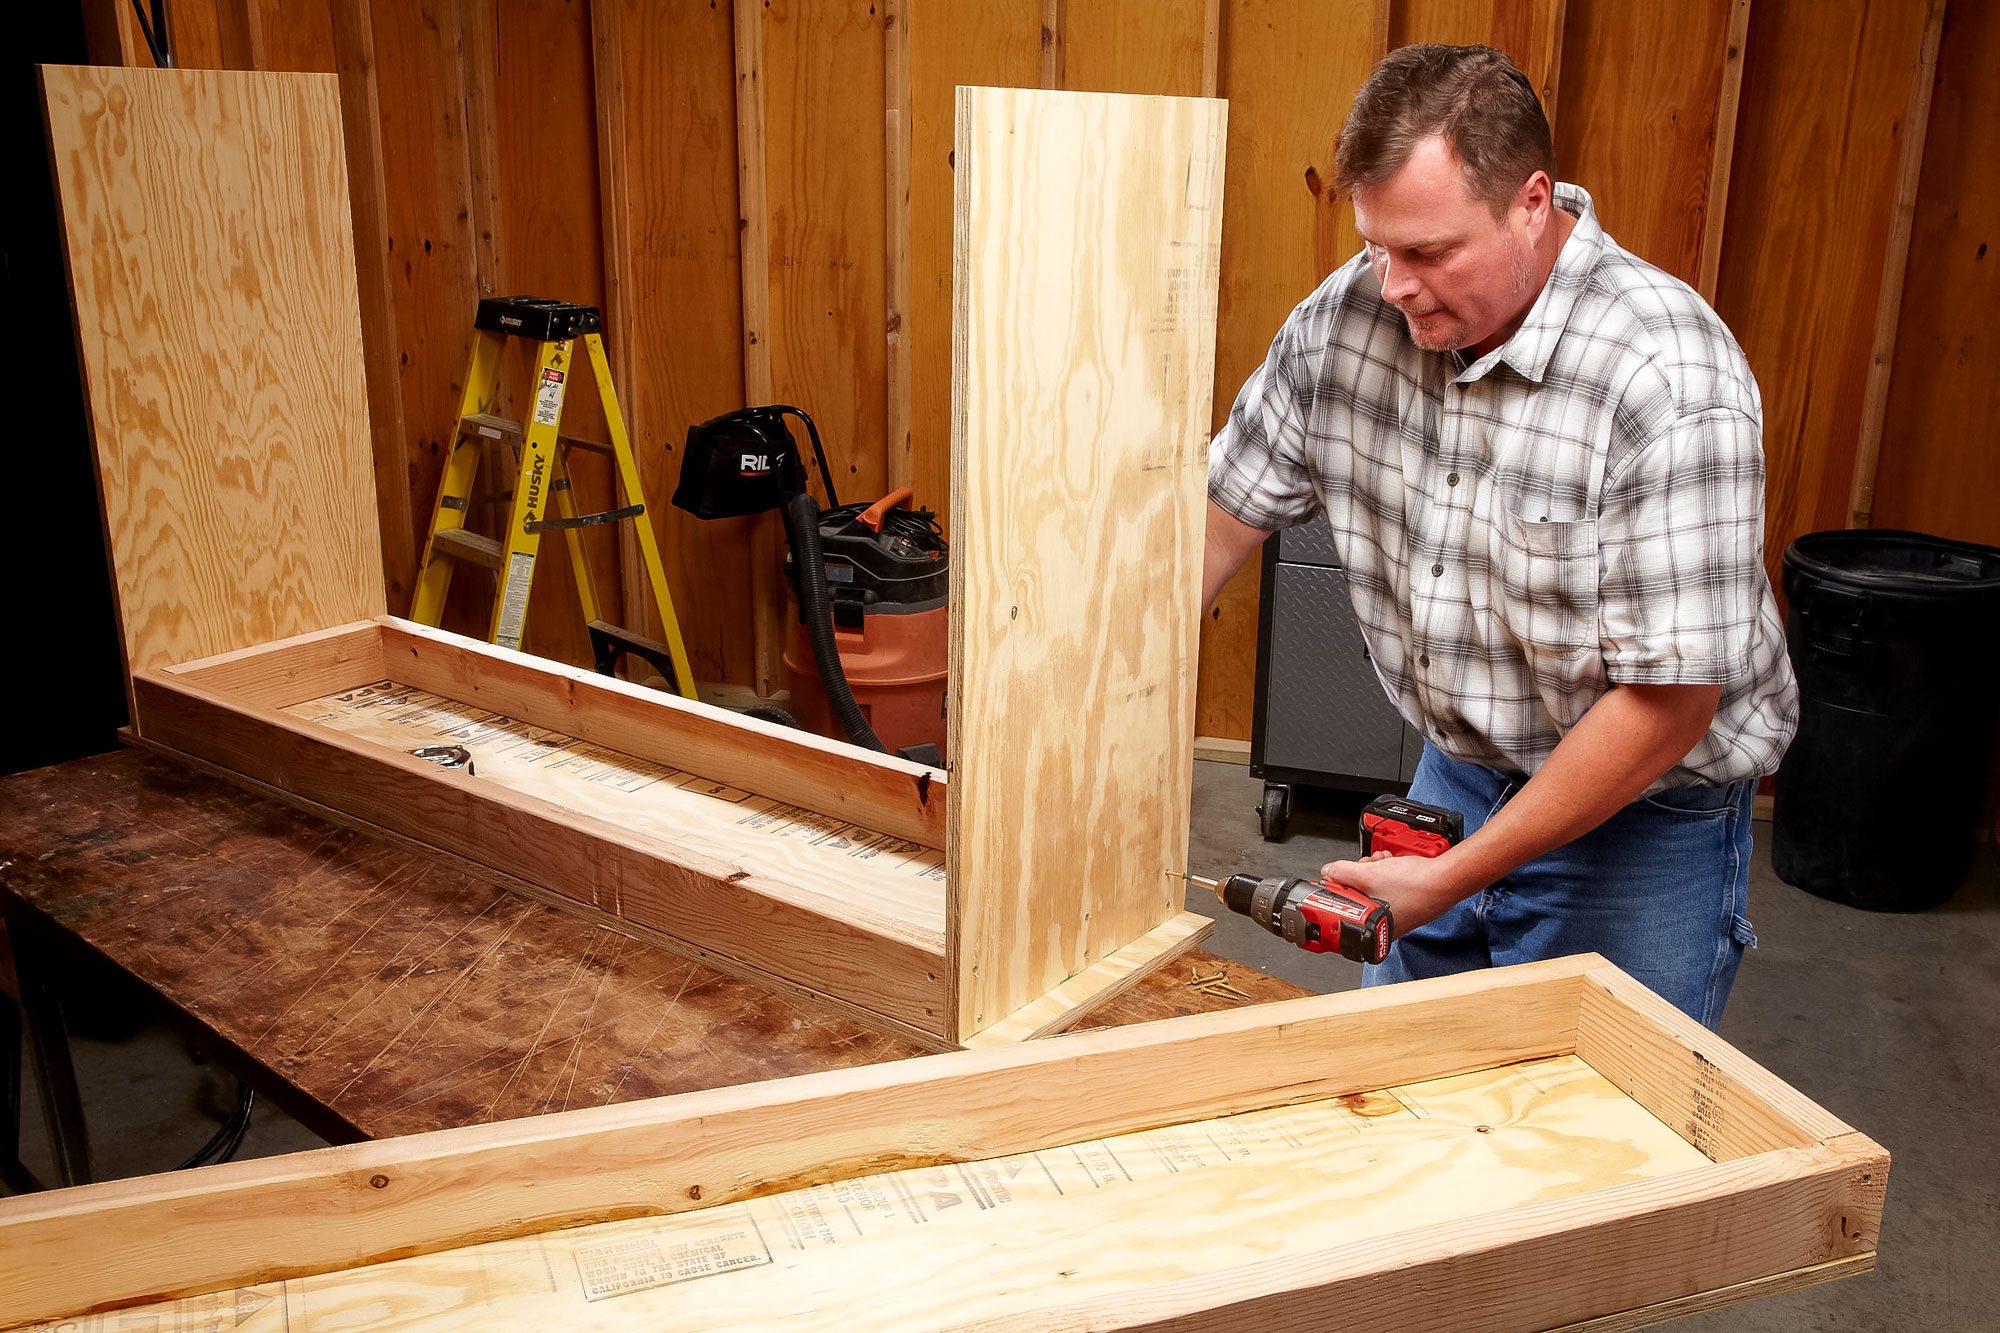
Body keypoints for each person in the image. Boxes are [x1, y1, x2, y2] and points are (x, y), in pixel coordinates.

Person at [1201, 44, 1798, 1028]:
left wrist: (1459, 876)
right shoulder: (1346, 320)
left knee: (1602, 1139)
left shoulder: (1666, 374)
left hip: (1641, 816)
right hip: (1454, 772)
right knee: (1399, 1092)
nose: (1391, 285)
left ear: (1531, 203)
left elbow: (1666, 705)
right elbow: (1218, 514)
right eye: (1375, 245)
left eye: (1430, 252)